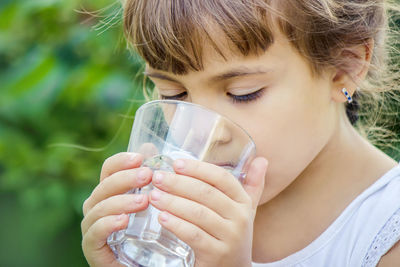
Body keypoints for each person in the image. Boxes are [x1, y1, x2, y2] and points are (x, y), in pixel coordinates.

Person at [80, 0, 400, 266]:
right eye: (173, 94)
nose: (196, 133)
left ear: (345, 67)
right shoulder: (170, 226)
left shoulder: (387, 235)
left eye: (242, 93)